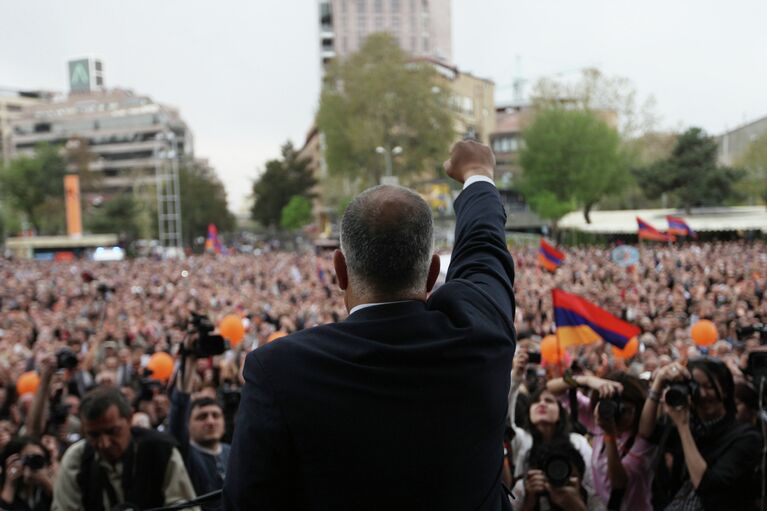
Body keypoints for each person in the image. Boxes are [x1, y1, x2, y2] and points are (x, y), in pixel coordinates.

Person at [224, 140, 516, 510]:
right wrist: (478, 175)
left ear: (340, 270)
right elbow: (484, 250)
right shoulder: (480, 334)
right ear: (431, 274)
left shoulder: (278, 371)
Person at [640, 357, 762, 511]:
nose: (703, 394)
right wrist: (658, 383)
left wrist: (683, 427)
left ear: (724, 390)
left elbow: (705, 485)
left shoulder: (746, 437)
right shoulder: (691, 425)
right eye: (696, 386)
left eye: (709, 386)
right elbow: (646, 431)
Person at [52, 386, 197, 511]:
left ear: (129, 419)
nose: (104, 444)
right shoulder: (76, 460)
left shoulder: (161, 451)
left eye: (112, 432)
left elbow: (185, 506)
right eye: (93, 435)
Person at [546, 371, 656, 511]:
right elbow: (552, 388)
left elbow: (618, 482)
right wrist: (586, 380)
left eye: (626, 410)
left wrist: (609, 434)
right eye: (613, 407)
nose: (617, 415)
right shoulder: (597, 418)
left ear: (638, 408)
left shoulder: (643, 438)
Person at [507, 349, 595, 511]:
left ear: (561, 414)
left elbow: (595, 493)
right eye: (536, 401)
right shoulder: (522, 440)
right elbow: (505, 424)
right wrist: (515, 378)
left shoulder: (578, 442)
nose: (542, 404)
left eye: (549, 401)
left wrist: (576, 503)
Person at [169, 347, 230, 511]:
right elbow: (179, 411)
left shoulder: (234, 452)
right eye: (202, 417)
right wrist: (189, 361)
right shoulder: (185, 456)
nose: (210, 421)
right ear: (188, 424)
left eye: (215, 415)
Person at [0, 436, 56, 511]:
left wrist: (46, 482)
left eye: (38, 460)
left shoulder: (43, 491)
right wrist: (10, 485)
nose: (33, 464)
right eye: (26, 459)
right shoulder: (4, 488)